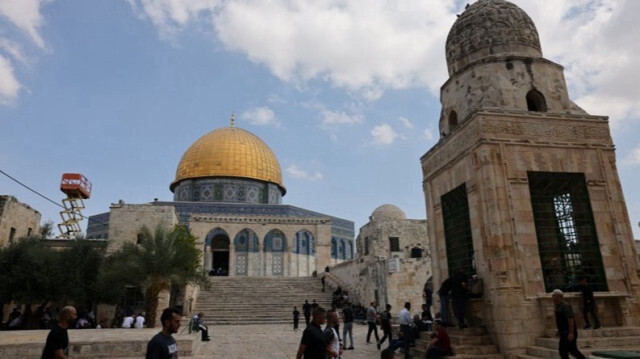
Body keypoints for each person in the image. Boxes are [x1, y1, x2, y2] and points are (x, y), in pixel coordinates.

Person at [552, 289, 587, 359]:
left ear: (558, 296)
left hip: (567, 332)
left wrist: (571, 333)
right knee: (564, 352)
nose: (552, 298)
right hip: (564, 333)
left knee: (571, 351)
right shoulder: (559, 306)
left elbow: (570, 319)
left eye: (554, 296)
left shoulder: (565, 306)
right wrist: (559, 330)